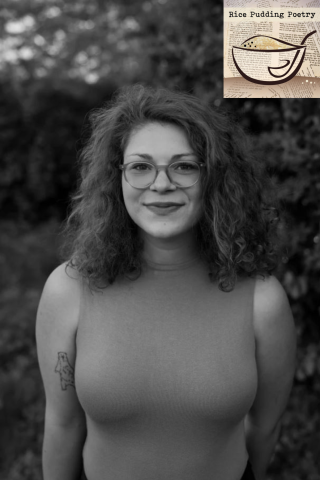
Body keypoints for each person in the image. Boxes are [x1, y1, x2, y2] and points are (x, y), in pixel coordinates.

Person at [36, 85, 296, 480]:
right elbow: (62, 425)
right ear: (117, 177)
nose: (161, 185)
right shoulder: (68, 290)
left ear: (214, 178)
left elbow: (265, 427)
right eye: (140, 166)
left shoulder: (263, 299)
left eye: (185, 166)